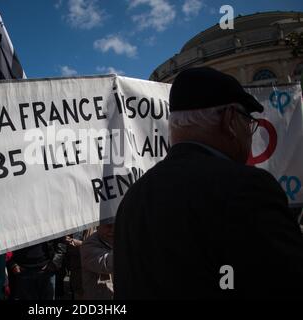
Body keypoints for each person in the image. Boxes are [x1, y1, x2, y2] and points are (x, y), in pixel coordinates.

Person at [114, 67, 303, 299]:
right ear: (230, 119)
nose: (250, 132)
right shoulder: (246, 187)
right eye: (248, 120)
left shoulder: (134, 196)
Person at [81, 223, 114, 300]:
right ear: (98, 226)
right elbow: (107, 264)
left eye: (117, 225)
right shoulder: (89, 245)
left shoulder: (116, 239)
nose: (112, 230)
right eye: (108, 226)